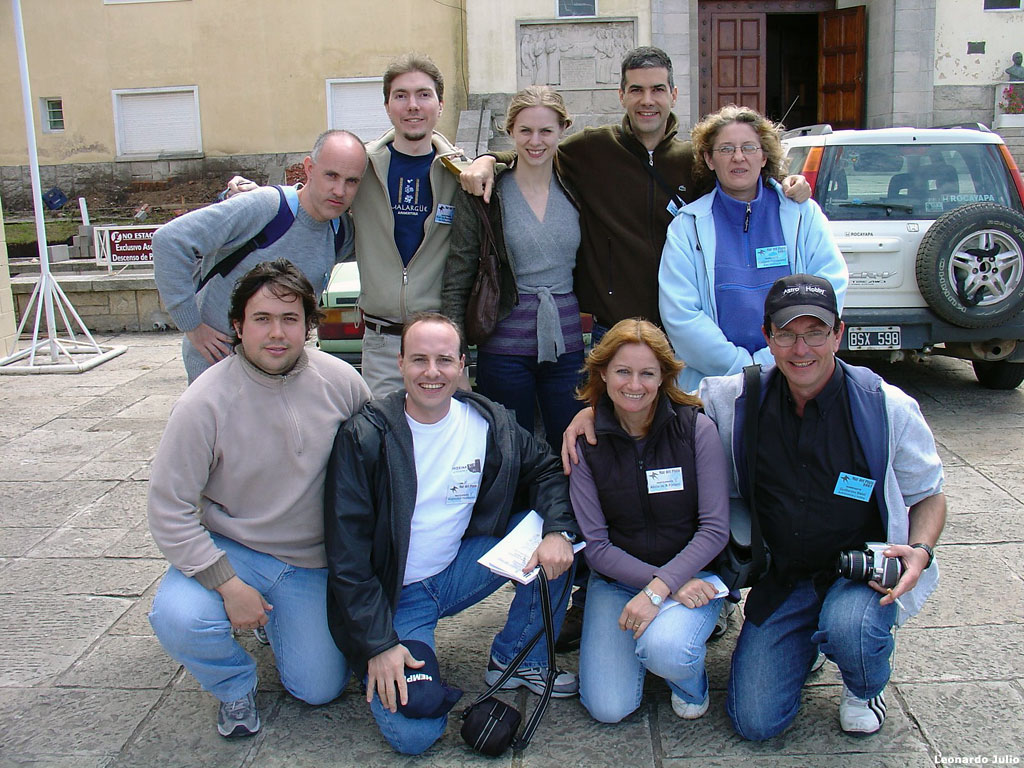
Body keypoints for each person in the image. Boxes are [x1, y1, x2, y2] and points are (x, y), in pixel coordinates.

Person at [698, 274, 945, 739]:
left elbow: (929, 494)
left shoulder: (886, 407)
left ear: (838, 334)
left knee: (851, 629)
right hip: (785, 579)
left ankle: (864, 686)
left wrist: (920, 550)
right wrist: (592, 412)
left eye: (815, 332)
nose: (801, 349)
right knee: (755, 723)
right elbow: (655, 408)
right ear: (767, 336)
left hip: (859, 578)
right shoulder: (736, 400)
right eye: (786, 333)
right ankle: (806, 642)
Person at [324, 312, 580, 755]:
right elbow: (347, 559)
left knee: (560, 537)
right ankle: (404, 668)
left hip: (460, 568)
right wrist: (379, 644)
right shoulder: (365, 436)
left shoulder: (489, 422)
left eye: (444, 360)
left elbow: (545, 471)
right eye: (419, 359)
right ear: (400, 363)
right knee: (414, 735)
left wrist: (558, 531)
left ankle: (518, 659)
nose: (432, 372)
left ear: (462, 364)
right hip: (396, 597)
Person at [147, 260, 371, 737]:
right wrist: (228, 585)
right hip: (235, 550)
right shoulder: (202, 404)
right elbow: (169, 510)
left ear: (308, 326)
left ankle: (277, 622)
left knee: (318, 689)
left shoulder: (344, 383)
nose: (276, 333)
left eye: (290, 319)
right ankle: (233, 684)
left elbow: (376, 468)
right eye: (262, 319)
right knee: (179, 618)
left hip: (310, 563)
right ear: (237, 326)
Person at [459, 46, 812, 334]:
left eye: (657, 89)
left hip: (683, 328)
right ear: (622, 95)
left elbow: (741, 178)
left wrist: (782, 182)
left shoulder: (693, 159)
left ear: (673, 95)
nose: (647, 100)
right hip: (612, 328)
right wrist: (489, 160)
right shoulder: (592, 149)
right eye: (636, 90)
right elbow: (536, 151)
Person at [227, 55, 464, 397]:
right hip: (383, 342)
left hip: (438, 341)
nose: (412, 105)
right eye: (401, 95)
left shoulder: (462, 174)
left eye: (423, 94)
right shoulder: (363, 165)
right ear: (387, 105)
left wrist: (490, 160)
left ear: (440, 104)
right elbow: (317, 196)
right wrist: (257, 196)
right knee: (384, 428)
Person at [569, 319, 729, 724]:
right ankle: (652, 642)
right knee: (608, 708)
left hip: (693, 574)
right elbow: (597, 547)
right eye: (622, 371)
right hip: (620, 581)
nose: (634, 384)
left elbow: (714, 529)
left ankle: (688, 681)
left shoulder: (696, 429)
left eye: (647, 373)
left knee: (667, 651)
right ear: (603, 374)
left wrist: (662, 587)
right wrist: (664, 586)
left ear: (664, 377)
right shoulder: (585, 441)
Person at [659, 104, 849, 392]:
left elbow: (828, 287)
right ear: (709, 159)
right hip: (712, 385)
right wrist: (744, 370)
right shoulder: (687, 226)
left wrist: (772, 362)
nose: (738, 157)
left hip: (793, 378)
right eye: (726, 149)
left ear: (764, 156)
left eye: (749, 147)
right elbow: (681, 314)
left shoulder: (802, 214)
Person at [153, 130, 366, 383]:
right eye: (331, 175)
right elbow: (169, 241)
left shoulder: (339, 232)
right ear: (309, 168)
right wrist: (192, 327)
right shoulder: (266, 206)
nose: (339, 190)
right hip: (219, 369)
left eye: (351, 181)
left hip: (277, 373)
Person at [442, 86, 584, 455]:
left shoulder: (578, 185)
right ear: (510, 131)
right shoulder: (485, 193)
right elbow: (458, 275)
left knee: (572, 449)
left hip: (567, 347)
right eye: (525, 131)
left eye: (546, 131)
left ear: (563, 130)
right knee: (509, 454)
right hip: (503, 347)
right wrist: (457, 359)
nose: (535, 141)